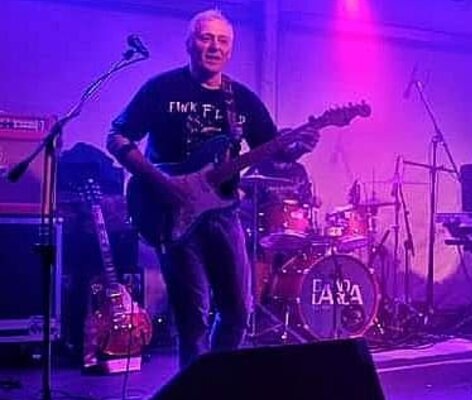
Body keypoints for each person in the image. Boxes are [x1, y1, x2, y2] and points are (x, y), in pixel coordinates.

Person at [106, 9, 318, 368]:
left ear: (230, 50)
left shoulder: (242, 99)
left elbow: (270, 151)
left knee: (238, 311)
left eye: (222, 41)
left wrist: (298, 146)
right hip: (171, 212)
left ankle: (216, 380)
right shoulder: (161, 88)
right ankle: (194, 389)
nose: (214, 47)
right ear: (190, 44)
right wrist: (161, 183)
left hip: (223, 212)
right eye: (206, 38)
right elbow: (117, 136)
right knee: (194, 319)